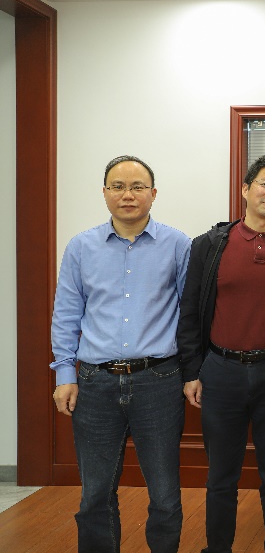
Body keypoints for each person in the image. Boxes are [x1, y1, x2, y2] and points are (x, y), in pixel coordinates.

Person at [51, 155, 191, 553]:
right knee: (95, 494)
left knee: (164, 494)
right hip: (95, 382)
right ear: (105, 192)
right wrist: (65, 375)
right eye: (118, 186)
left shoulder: (178, 245)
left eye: (137, 187)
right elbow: (66, 314)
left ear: (153, 194)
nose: (127, 195)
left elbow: (190, 315)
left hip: (159, 380)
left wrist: (192, 372)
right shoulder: (81, 247)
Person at [177, 154, 265, 553]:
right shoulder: (209, 245)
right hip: (221, 371)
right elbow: (189, 311)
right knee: (221, 476)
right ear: (245, 189)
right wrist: (192, 371)